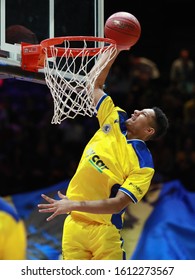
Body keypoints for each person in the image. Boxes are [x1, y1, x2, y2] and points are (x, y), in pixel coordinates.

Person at [38, 48, 169, 260]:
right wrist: (115, 49)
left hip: (103, 231)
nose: (136, 111)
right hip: (74, 225)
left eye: (143, 114)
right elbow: (95, 85)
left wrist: (70, 204)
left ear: (149, 131)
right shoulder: (114, 117)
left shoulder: (144, 164)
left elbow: (118, 204)